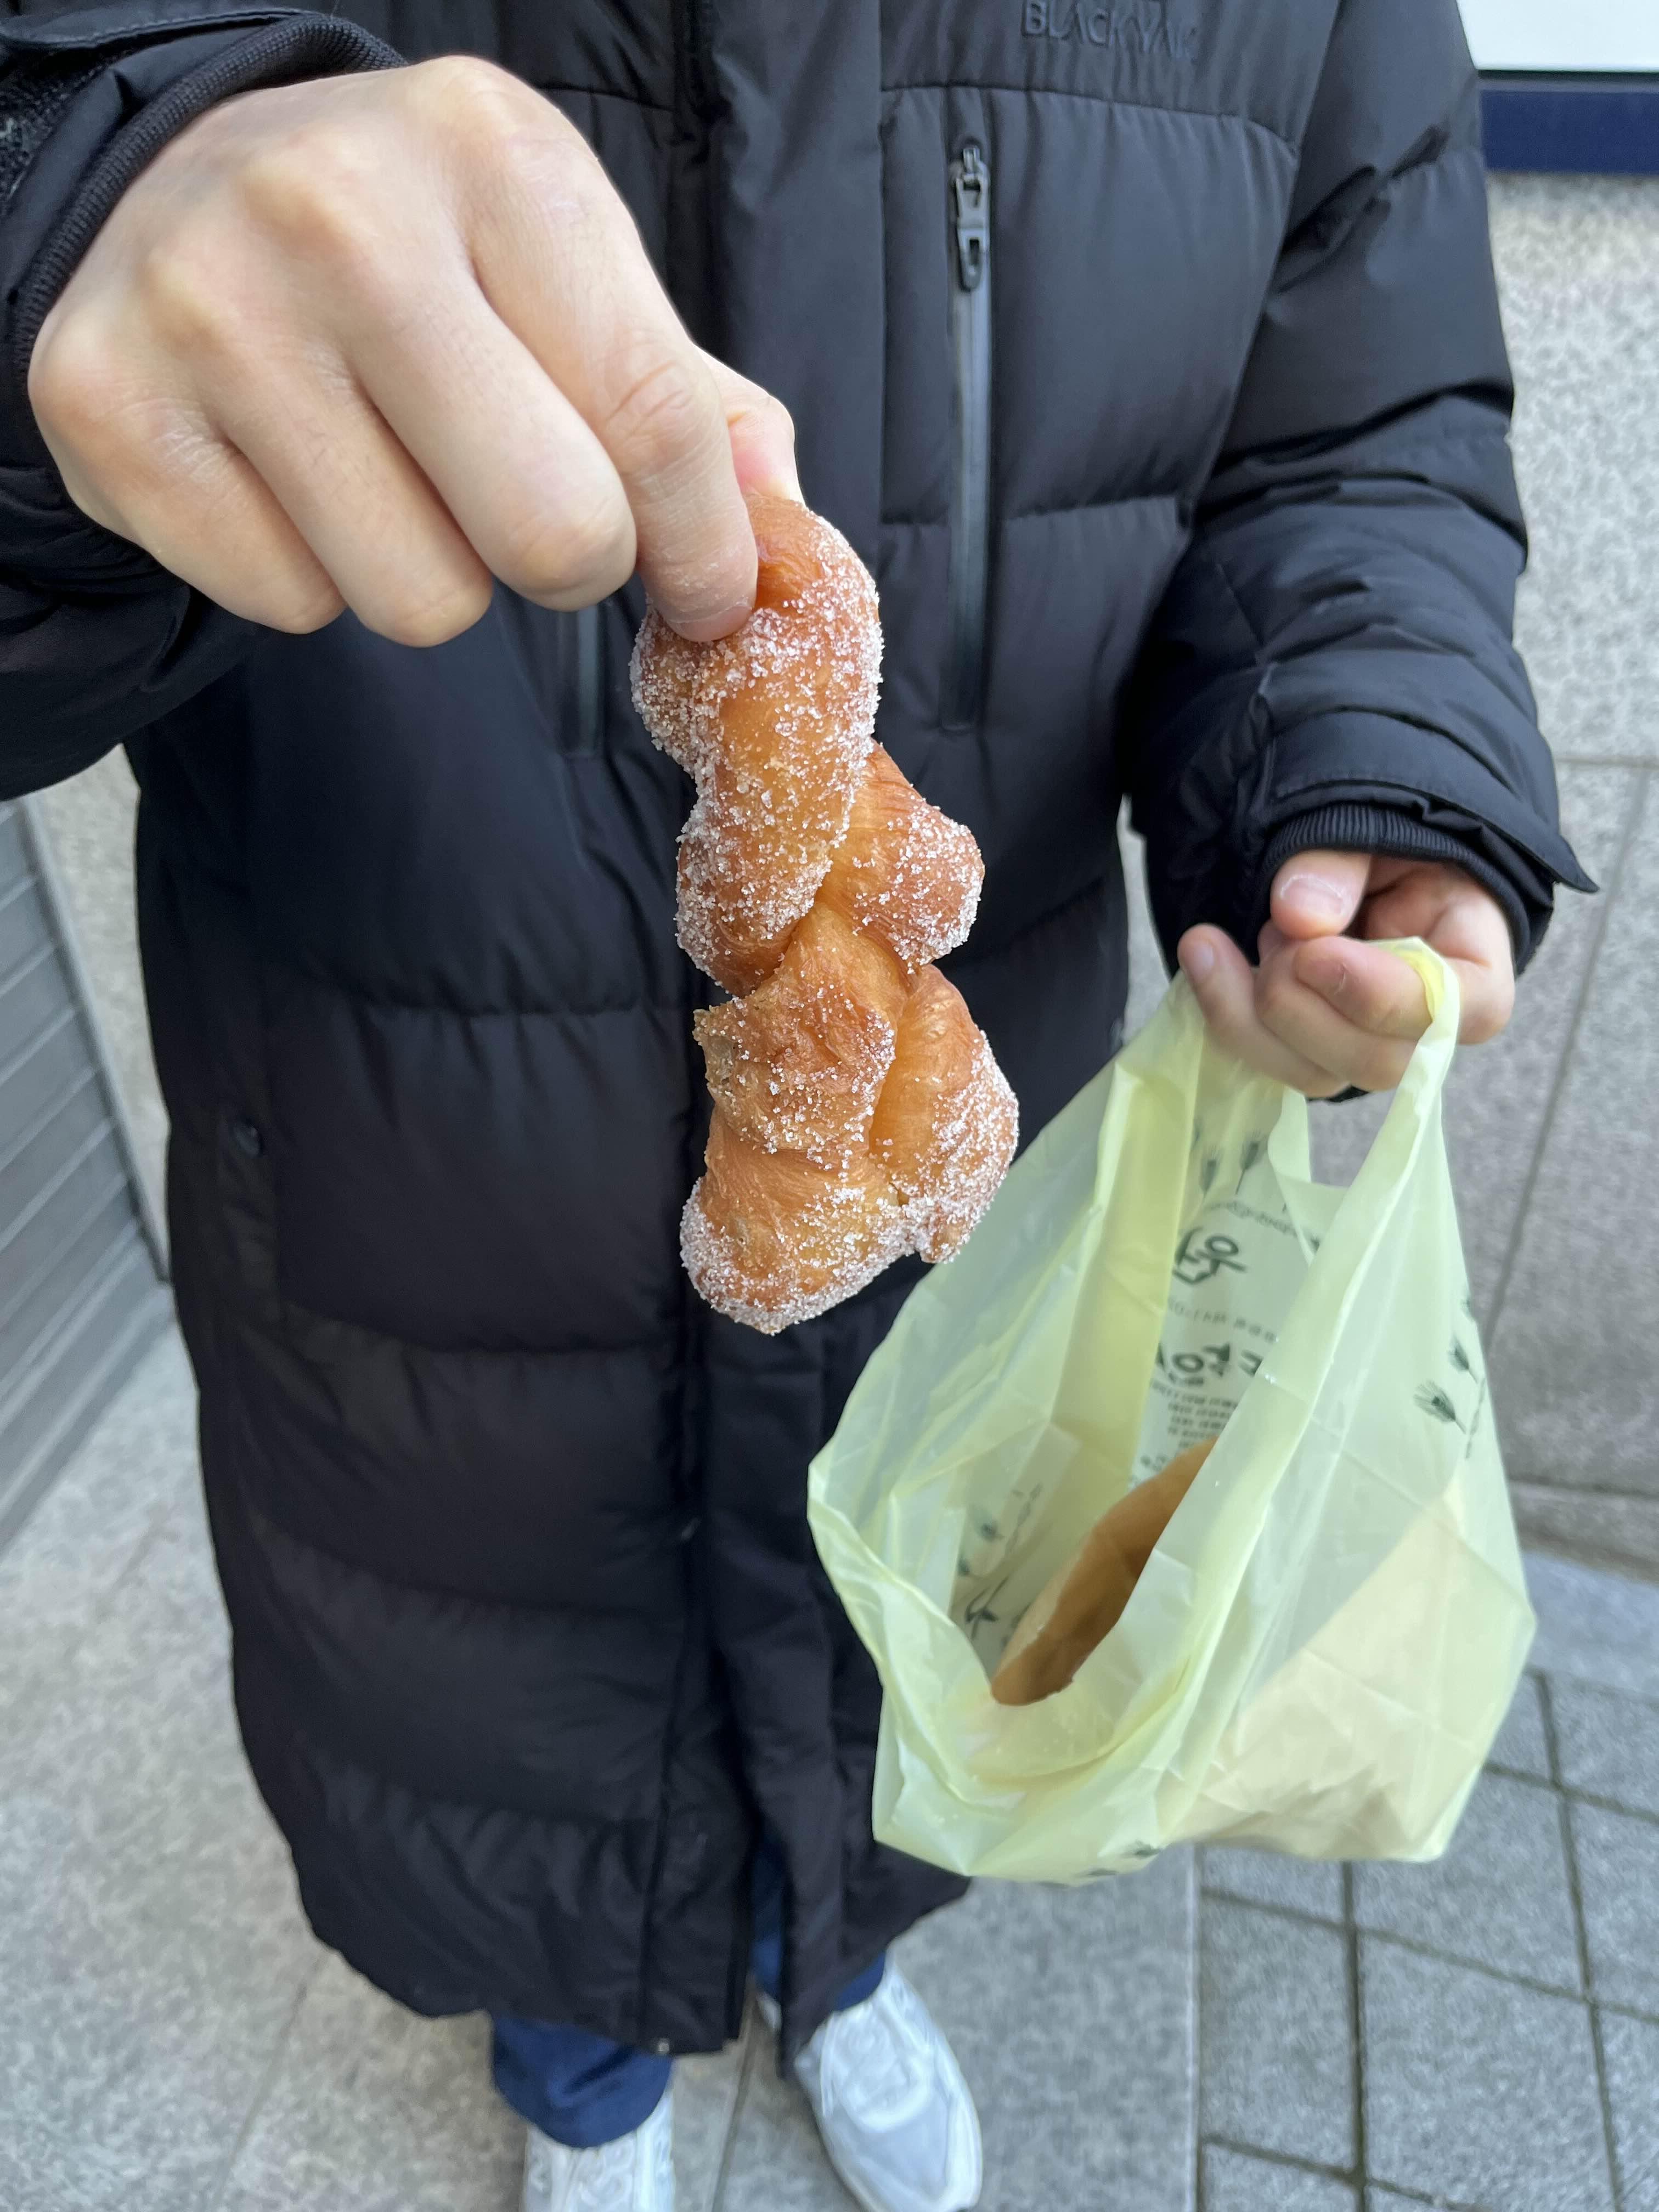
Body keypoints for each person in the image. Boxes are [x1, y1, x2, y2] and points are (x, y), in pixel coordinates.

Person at [0, 4, 1589, 2208]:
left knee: (891, 1679)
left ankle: (836, 1973)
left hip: (952, 1141)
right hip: (397, 1144)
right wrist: (58, 206)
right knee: (499, 1728)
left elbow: (1352, 440)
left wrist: (1364, 760)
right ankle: (583, 2086)